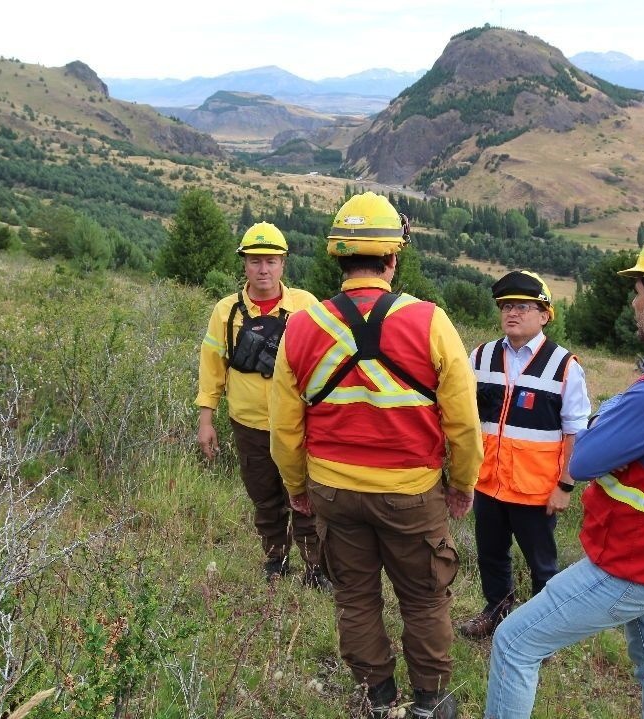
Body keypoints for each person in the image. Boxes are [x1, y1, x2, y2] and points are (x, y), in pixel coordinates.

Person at [485, 224, 644, 719]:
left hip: (633, 562)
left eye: (638, 292)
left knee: (513, 643)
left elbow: (583, 458)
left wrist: (614, 408)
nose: (633, 302)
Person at [269, 191, 483, 719]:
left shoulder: (302, 324)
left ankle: (378, 699)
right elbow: (462, 420)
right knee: (426, 598)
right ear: (393, 258)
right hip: (411, 494)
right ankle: (430, 704)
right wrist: (463, 484)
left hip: (334, 495)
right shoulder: (432, 322)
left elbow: (284, 428)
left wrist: (298, 489)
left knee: (356, 598)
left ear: (338, 257)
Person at [458, 270, 590, 640]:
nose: (511, 313)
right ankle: (496, 613)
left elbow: (575, 431)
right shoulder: (481, 356)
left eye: (522, 306)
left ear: (545, 314)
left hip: (536, 490)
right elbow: (466, 416)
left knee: (542, 566)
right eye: (506, 306)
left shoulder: (564, 365)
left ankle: (542, 632)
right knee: (491, 556)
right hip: (488, 484)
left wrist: (565, 485)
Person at [195, 222, 326, 587]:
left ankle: (315, 567)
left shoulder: (306, 306)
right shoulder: (226, 312)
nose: (263, 269)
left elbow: (325, 363)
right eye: (255, 261)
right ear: (244, 264)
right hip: (249, 424)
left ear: (283, 263)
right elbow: (212, 368)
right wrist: (207, 420)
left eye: (270, 260)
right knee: (265, 498)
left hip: (299, 423)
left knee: (305, 496)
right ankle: (275, 561)